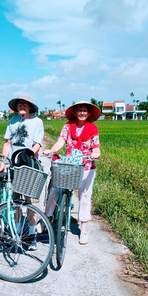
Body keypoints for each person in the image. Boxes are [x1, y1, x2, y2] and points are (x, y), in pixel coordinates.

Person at [43, 100, 101, 245]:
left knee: (85, 196)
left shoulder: (93, 128)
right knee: (55, 190)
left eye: (85, 110)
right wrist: (52, 150)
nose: (82, 113)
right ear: (75, 113)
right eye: (79, 110)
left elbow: (96, 147)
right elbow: (60, 142)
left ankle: (84, 230)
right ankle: (46, 219)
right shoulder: (68, 126)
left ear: (89, 113)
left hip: (86, 165)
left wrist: (95, 153)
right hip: (70, 164)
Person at [0, 94, 44, 250]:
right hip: (14, 166)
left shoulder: (37, 122)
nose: (22, 106)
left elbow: (37, 145)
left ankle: (31, 236)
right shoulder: (12, 121)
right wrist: (4, 162)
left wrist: (28, 155)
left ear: (30, 106)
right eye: (19, 104)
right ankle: (16, 234)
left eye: (25, 104)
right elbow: (8, 143)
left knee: (30, 202)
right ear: (16, 107)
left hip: (29, 166)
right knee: (14, 201)